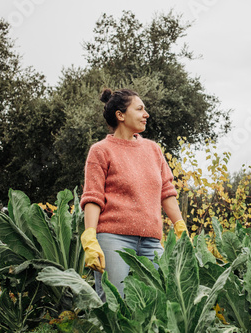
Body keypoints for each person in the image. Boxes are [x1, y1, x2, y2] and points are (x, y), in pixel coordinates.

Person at [79, 88, 187, 301]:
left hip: (152, 243)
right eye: (139, 109)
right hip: (113, 240)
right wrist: (90, 236)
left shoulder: (153, 150)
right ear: (120, 115)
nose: (146, 114)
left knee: (161, 303)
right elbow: (93, 197)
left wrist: (180, 225)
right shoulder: (101, 151)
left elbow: (167, 192)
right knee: (114, 305)